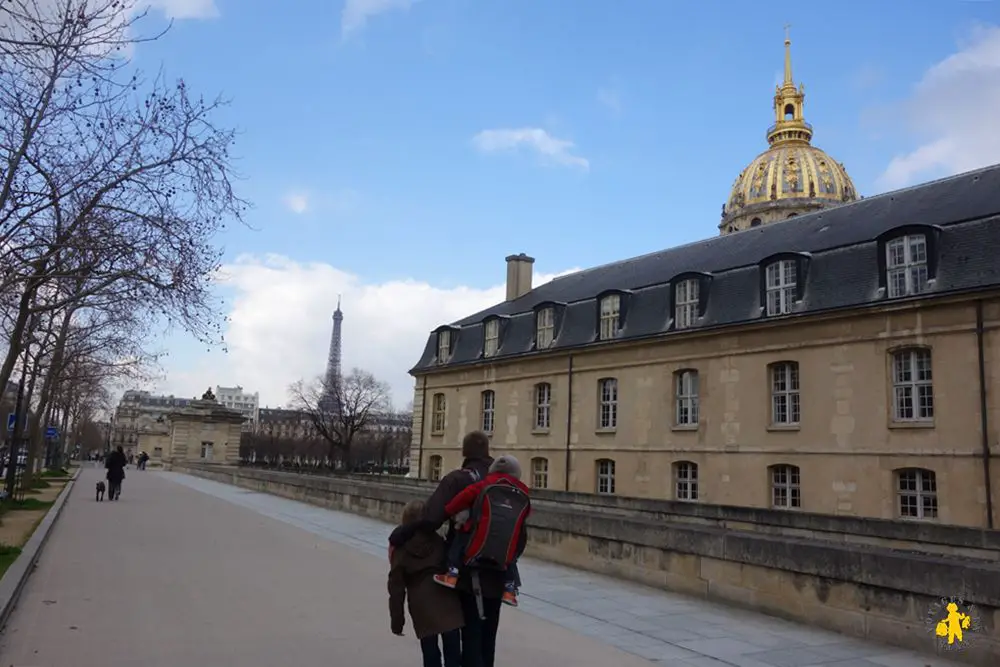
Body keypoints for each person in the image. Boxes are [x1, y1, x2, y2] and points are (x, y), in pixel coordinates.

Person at [389, 431, 526, 667]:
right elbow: (520, 538)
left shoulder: (457, 479)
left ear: (464, 452)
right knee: (488, 637)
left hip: (468, 573)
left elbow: (431, 517)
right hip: (499, 573)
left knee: (470, 636)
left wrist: (403, 533)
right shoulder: (510, 487)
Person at [433, 455, 530, 608]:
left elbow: (460, 499)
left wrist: (449, 511)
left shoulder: (484, 484)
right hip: (505, 548)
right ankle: (509, 590)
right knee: (511, 548)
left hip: (476, 544)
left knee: (460, 535)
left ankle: (452, 574)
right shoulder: (522, 492)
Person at [387, 499, 464, 667]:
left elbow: (396, 588)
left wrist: (397, 622)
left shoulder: (400, 547)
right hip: (446, 597)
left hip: (421, 602)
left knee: (430, 653)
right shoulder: (438, 541)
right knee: (453, 653)